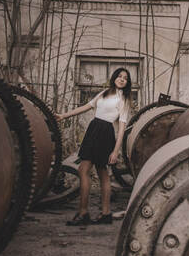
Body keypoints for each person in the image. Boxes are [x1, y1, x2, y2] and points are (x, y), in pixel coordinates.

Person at [56, 67, 132, 226]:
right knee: (101, 173)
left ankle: (84, 213)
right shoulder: (104, 93)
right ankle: (105, 214)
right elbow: (86, 107)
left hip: (105, 133)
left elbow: (122, 128)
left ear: (127, 82)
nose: (122, 79)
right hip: (94, 129)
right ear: (114, 78)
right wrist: (64, 115)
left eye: (125, 78)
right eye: (120, 76)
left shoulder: (124, 100)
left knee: (85, 170)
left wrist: (116, 150)